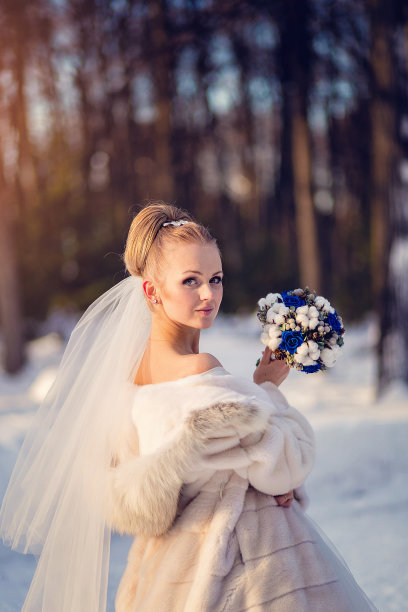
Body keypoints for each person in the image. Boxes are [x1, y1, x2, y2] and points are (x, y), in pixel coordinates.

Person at [0, 202, 378, 612]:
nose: (208, 295)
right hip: (246, 575)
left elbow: (136, 495)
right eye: (190, 281)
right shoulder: (200, 369)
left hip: (165, 579)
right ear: (151, 290)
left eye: (215, 279)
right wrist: (267, 389)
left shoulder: (126, 382)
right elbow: (287, 463)